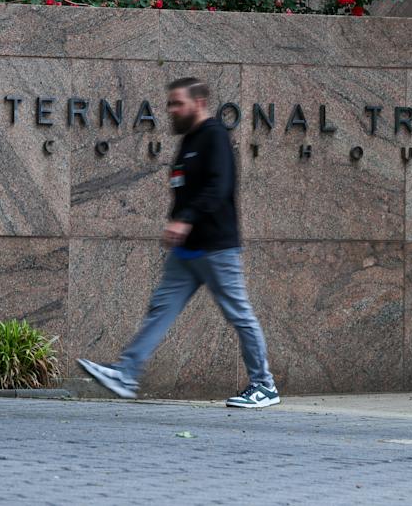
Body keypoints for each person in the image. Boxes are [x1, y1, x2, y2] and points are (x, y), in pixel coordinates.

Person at [77, 77, 280, 408]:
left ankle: (264, 385)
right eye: (169, 103)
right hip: (187, 252)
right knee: (160, 310)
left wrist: (184, 220)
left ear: (198, 103)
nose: (171, 109)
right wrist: (177, 221)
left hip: (216, 246)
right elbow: (183, 186)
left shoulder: (214, 136)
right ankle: (126, 373)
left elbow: (218, 187)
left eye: (177, 103)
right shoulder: (189, 140)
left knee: (239, 314)